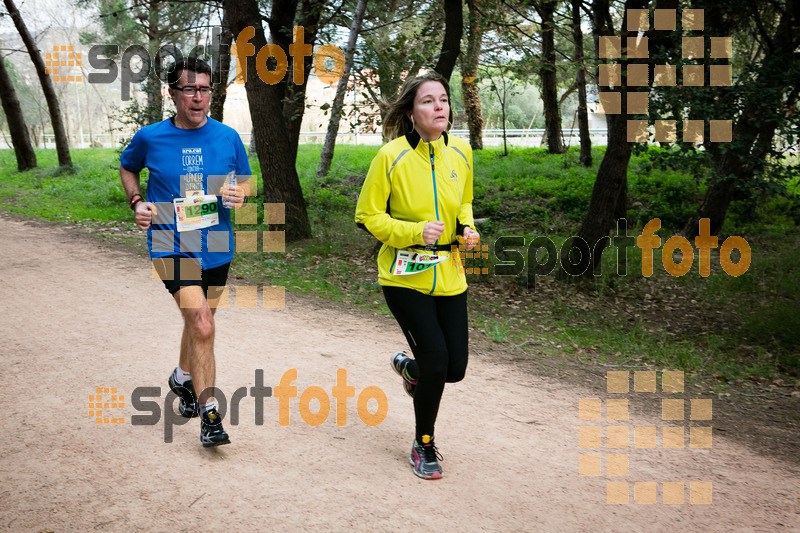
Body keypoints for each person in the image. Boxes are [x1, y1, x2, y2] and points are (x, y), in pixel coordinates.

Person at [119, 57, 251, 448]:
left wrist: (239, 194)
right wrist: (137, 201)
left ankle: (181, 377)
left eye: (205, 89)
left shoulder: (227, 136)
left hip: (216, 247)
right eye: (190, 90)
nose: (198, 97)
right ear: (172, 94)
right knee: (204, 325)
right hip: (169, 244)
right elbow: (128, 168)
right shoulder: (150, 137)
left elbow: (245, 182)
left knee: (198, 322)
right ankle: (210, 415)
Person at [355, 71, 480, 479]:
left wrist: (467, 228)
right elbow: (367, 216)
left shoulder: (461, 152)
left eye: (443, 99)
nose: (439, 106)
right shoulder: (389, 157)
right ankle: (423, 445)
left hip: (449, 273)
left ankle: (412, 372)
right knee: (437, 358)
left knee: (455, 368)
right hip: (403, 275)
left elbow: (464, 203)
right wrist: (412, 232)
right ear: (411, 111)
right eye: (428, 101)